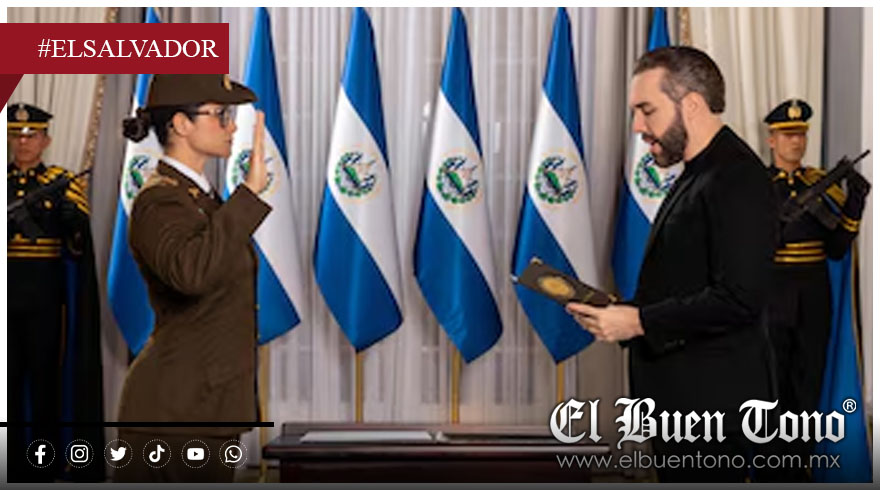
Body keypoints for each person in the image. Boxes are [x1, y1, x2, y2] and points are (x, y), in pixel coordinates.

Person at [566, 47, 776, 482]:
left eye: (647, 111)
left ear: (692, 105)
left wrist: (639, 321)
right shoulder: (700, 172)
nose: (637, 127)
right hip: (685, 405)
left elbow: (739, 299)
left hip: (712, 413)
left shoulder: (736, 176)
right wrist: (619, 311)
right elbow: (685, 283)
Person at [114, 73, 271, 482]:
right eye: (220, 115)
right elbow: (192, 274)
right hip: (174, 414)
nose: (231, 127)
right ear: (181, 124)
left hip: (203, 407)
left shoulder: (198, 198)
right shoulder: (159, 200)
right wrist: (248, 196)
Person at [761, 98, 869, 481]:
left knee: (807, 381)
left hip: (813, 293)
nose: (796, 142)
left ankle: (799, 465)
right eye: (788, 135)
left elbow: (837, 249)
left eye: (801, 135)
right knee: (771, 383)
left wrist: (855, 203)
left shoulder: (822, 186)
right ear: (771, 140)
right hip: (773, 294)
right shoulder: (756, 188)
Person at [7, 103, 104, 482]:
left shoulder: (62, 181)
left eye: (31, 135)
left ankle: (43, 462)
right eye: (16, 135)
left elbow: (79, 246)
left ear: (45, 140)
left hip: (44, 295)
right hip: (6, 292)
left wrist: (71, 223)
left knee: (45, 379)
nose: (23, 143)